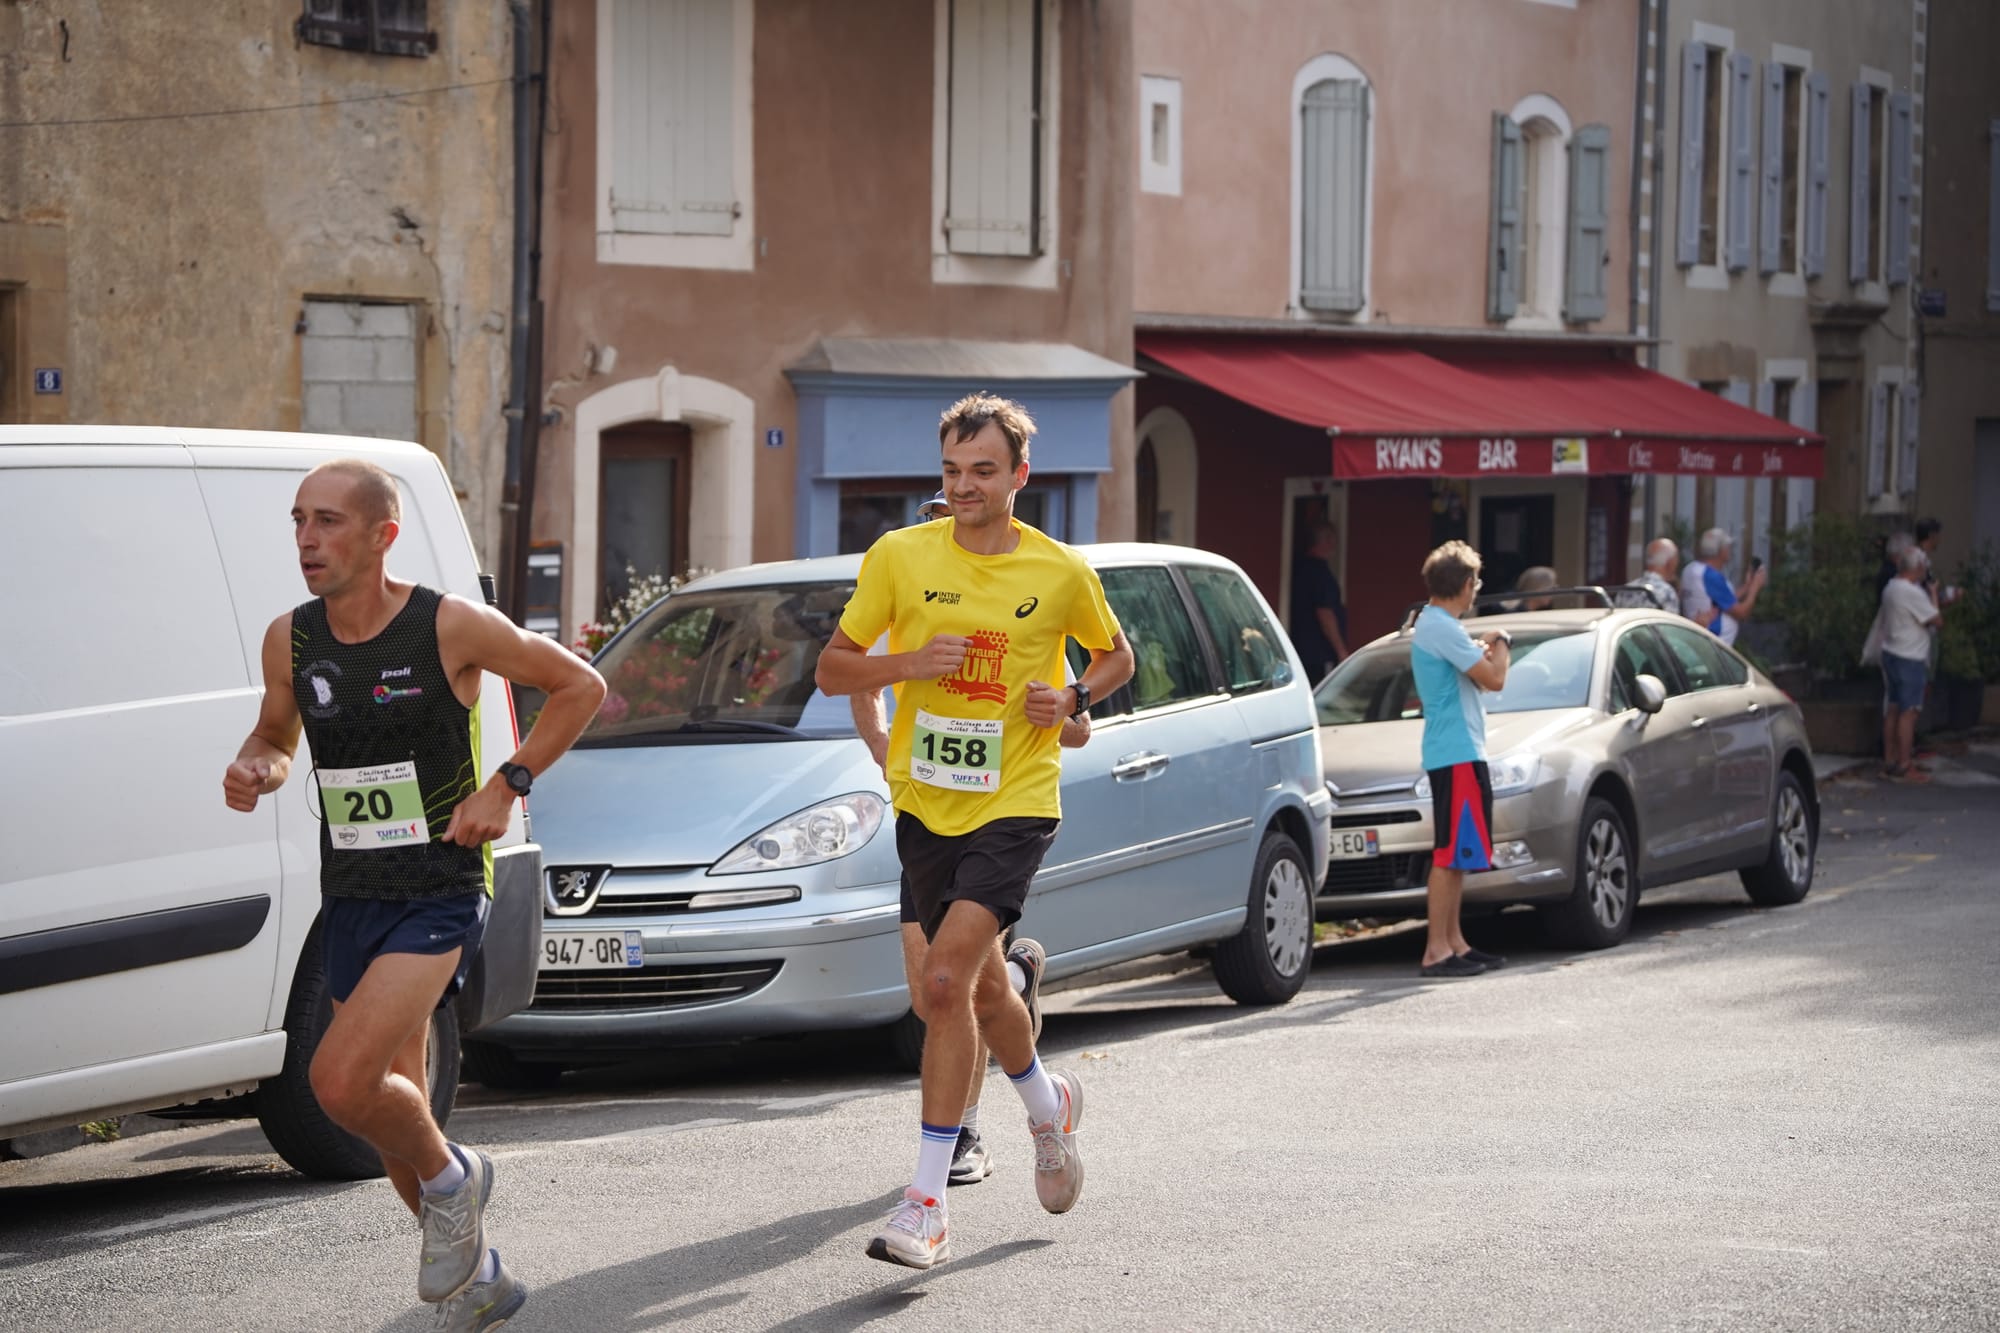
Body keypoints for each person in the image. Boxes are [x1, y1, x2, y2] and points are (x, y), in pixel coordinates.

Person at [222, 459, 606, 1330]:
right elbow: (276, 731)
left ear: (381, 534)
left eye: (327, 522)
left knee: (338, 1080)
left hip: (438, 885)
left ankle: (457, 1178)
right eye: (298, 522)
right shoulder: (291, 638)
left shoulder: (448, 624)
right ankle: (475, 1279)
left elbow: (580, 685)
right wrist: (259, 765)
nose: (307, 540)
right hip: (351, 890)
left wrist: (507, 783)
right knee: (392, 1102)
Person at [817, 393, 1134, 1270]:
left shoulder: (1060, 571)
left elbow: (1116, 656)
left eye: (983, 471)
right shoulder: (898, 555)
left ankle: (925, 1202)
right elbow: (834, 665)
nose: (964, 486)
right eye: (953, 470)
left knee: (944, 979)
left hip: (1016, 797)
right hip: (925, 798)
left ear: (1019, 475)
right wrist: (905, 664)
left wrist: (1072, 698)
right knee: (985, 993)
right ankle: (1046, 1101)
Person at [849, 501, 1094, 1190]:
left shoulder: (1031, 602)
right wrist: (880, 745)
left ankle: (961, 1136)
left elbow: (1080, 725)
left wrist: (1059, 711)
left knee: (948, 982)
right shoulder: (906, 594)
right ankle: (1021, 996)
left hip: (1001, 815)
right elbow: (860, 678)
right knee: (941, 991)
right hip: (926, 809)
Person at [1410, 541, 1510, 979]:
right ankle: (1436, 949)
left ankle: (1455, 942)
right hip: (1455, 752)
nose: (1476, 590)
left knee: (1458, 851)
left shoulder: (1437, 625)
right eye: (1476, 583)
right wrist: (1502, 641)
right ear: (1466, 585)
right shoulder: (1440, 627)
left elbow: (1473, 676)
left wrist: (1480, 649)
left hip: (1458, 750)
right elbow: (1495, 679)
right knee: (1448, 853)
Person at [1876, 545, 1943, 782]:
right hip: (1910, 656)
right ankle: (1905, 764)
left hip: (1892, 652)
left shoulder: (1891, 587)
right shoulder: (1913, 593)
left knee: (1893, 708)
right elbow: (1936, 620)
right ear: (1917, 567)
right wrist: (1933, 594)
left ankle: (1890, 760)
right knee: (1909, 712)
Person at [1680, 527, 1765, 646]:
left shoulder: (1691, 569)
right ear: (1721, 551)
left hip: (1701, 638)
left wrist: (1747, 586)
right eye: (1728, 547)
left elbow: (1722, 601)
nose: (1730, 550)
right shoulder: (1710, 576)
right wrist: (1755, 588)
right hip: (1714, 642)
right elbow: (1741, 613)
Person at [1287, 521, 1349, 682]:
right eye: (1333, 540)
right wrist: (1341, 651)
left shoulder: (1300, 568)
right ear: (1326, 541)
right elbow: (1325, 614)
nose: (1335, 545)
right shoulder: (1321, 575)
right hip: (1320, 655)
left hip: (1300, 651)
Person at [1633, 538, 1682, 613]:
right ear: (1670, 562)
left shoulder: (1625, 590)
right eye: (1676, 559)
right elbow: (1669, 624)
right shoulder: (1667, 592)